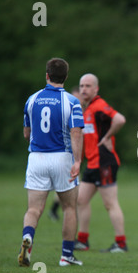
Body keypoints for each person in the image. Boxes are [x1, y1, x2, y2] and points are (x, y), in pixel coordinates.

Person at [19, 58, 84, 267]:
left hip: (36, 158)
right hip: (62, 158)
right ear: (66, 77)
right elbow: (76, 134)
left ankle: (28, 237)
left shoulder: (32, 99)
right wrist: (78, 161)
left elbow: (26, 133)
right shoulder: (72, 102)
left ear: (47, 76)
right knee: (69, 208)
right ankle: (66, 255)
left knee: (34, 209)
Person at [74, 73, 128, 253]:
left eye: (88, 86)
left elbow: (120, 119)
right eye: (81, 86)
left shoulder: (98, 106)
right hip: (92, 163)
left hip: (105, 162)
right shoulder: (86, 110)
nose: (84, 89)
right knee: (81, 200)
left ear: (96, 89)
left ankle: (121, 244)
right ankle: (82, 241)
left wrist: (107, 136)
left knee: (110, 203)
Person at [48, 86, 83, 222]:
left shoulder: (81, 111)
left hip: (77, 157)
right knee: (71, 191)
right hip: (67, 157)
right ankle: (73, 234)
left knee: (68, 187)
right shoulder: (69, 111)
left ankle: (54, 210)